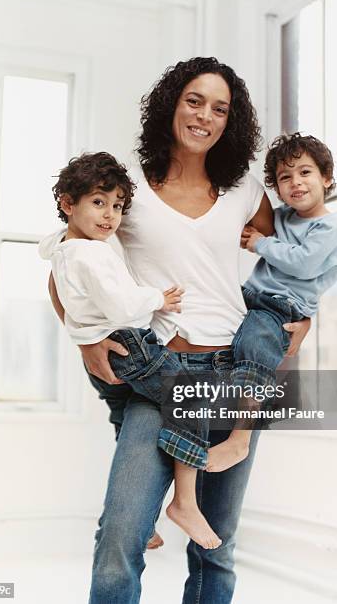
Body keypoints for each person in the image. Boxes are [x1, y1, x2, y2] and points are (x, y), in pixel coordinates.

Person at [49, 57, 310, 604]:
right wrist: (87, 339)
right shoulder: (126, 188)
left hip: (232, 374)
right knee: (121, 534)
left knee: (216, 549)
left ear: (230, 121)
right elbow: (66, 263)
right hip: (160, 374)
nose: (205, 116)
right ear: (171, 103)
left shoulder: (242, 188)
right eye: (194, 100)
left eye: (220, 108)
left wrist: (298, 315)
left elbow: (290, 256)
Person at [39, 151, 222, 549]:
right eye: (98, 203)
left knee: (124, 418)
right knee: (189, 398)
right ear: (68, 204)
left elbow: (55, 283)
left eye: (117, 206)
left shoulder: (62, 248)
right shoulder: (92, 253)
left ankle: (143, 519)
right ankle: (185, 504)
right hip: (127, 345)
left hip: (98, 357)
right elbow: (121, 305)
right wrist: (159, 299)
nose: (109, 216)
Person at [205, 133, 337, 472]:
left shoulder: (330, 226)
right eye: (285, 177)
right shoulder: (282, 216)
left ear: (326, 178)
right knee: (213, 318)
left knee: (256, 344)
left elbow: (304, 263)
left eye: (305, 172)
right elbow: (250, 226)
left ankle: (240, 439)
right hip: (251, 295)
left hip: (282, 306)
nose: (295, 182)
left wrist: (259, 245)